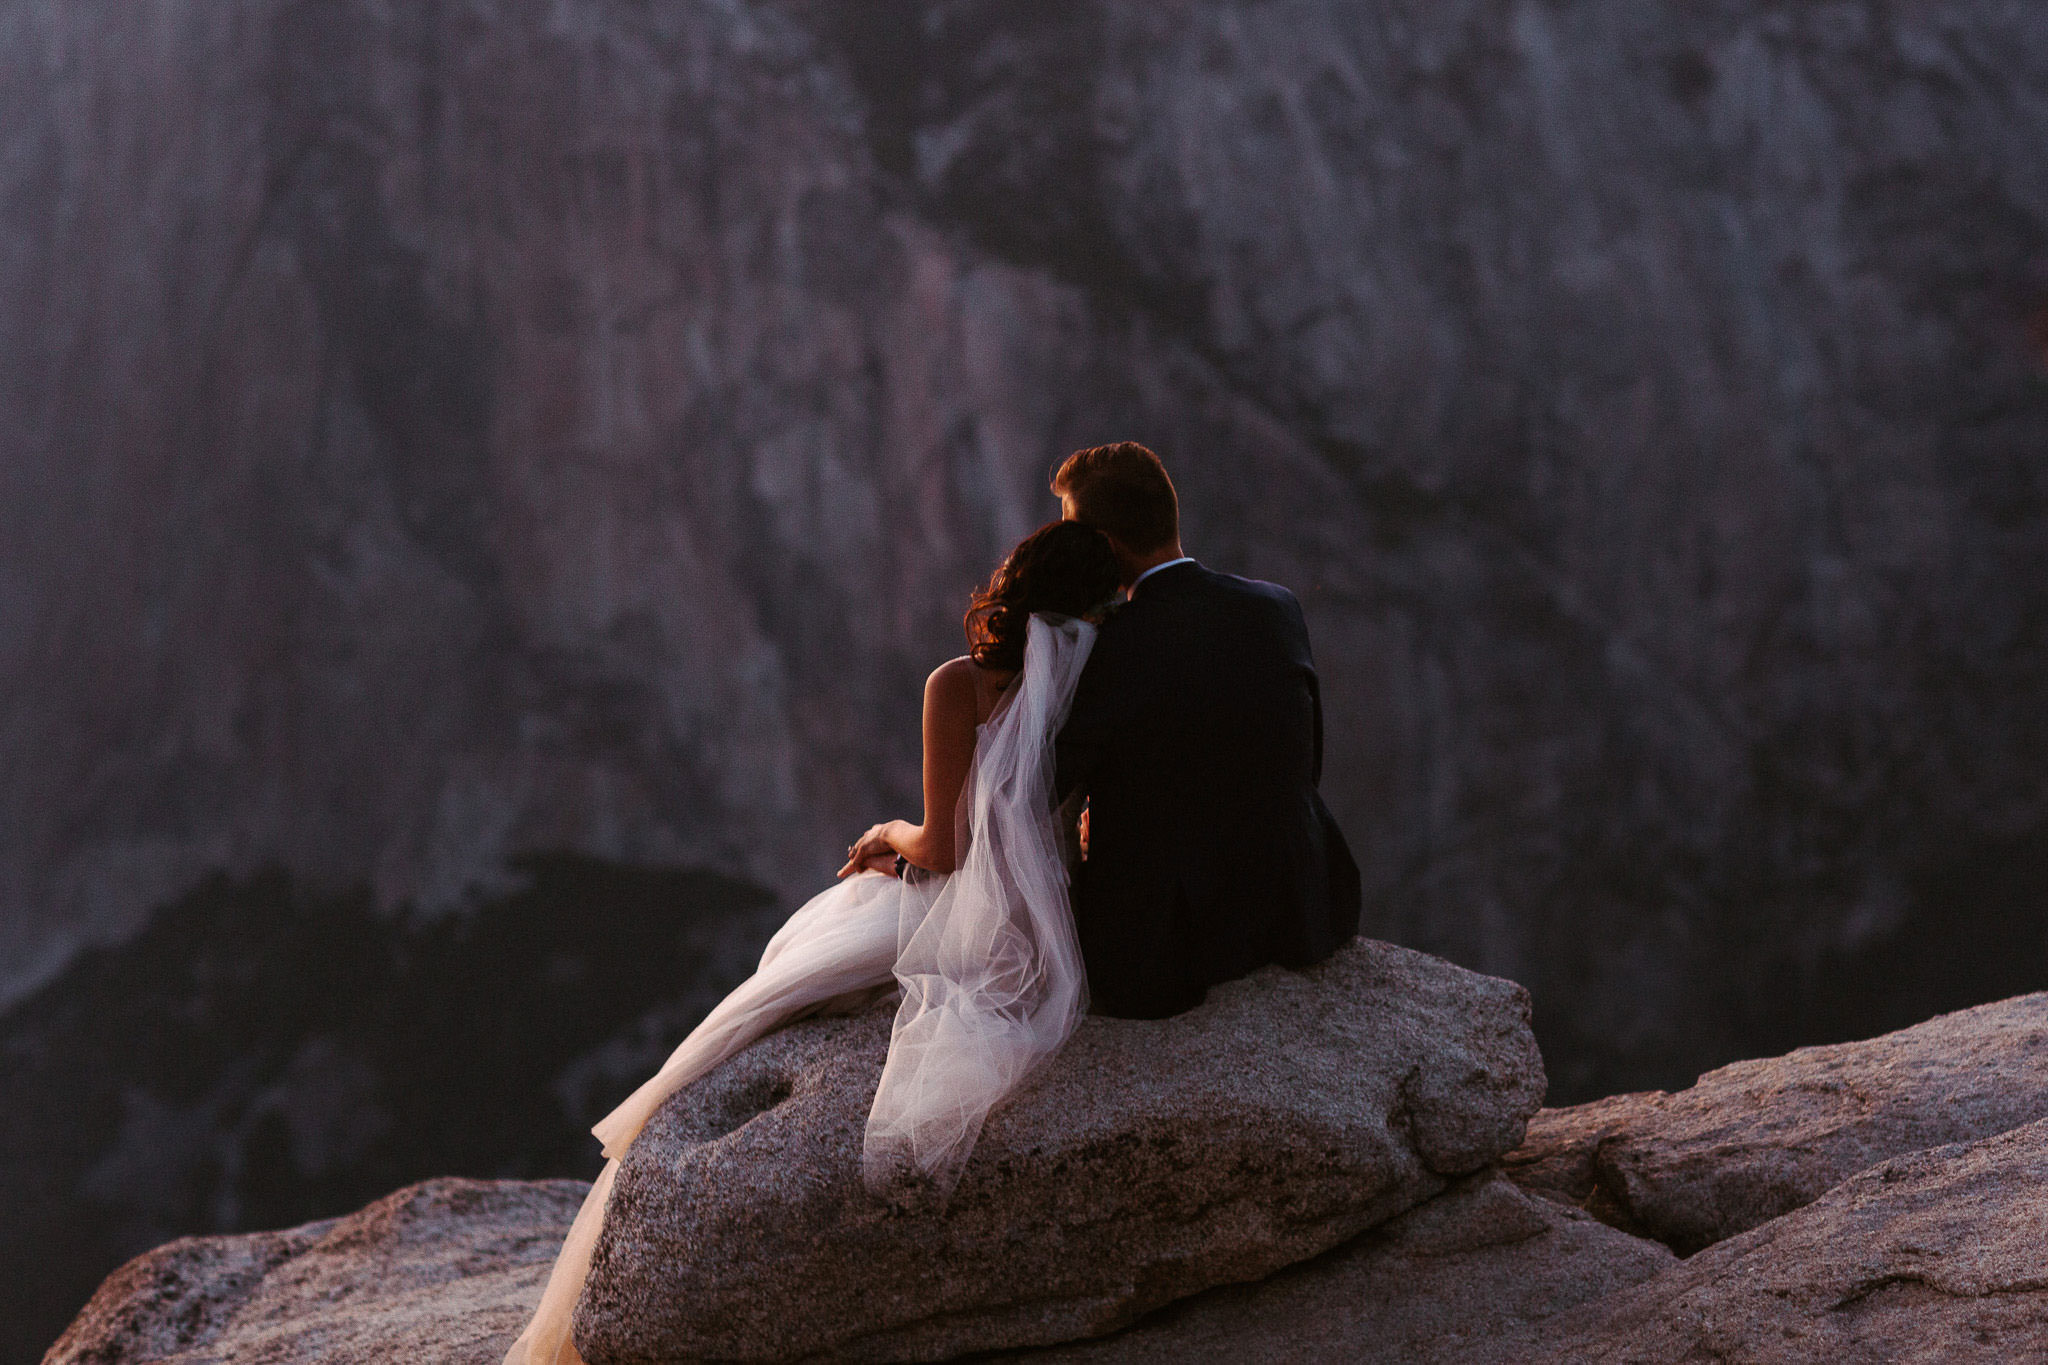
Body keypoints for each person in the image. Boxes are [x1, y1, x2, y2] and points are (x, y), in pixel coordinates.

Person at [503, 519, 1122, 1365]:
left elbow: (943, 850)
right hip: (1063, 922)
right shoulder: (1107, 678)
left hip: (972, 917)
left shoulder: (960, 685)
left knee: (808, 945)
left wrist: (884, 832)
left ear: (1014, 585)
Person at [1052, 442, 1361, 1019]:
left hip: (1173, 944)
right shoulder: (1277, 607)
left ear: (1106, 547)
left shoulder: (1110, 646)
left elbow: (1038, 793)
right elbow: (1300, 762)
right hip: (1303, 903)